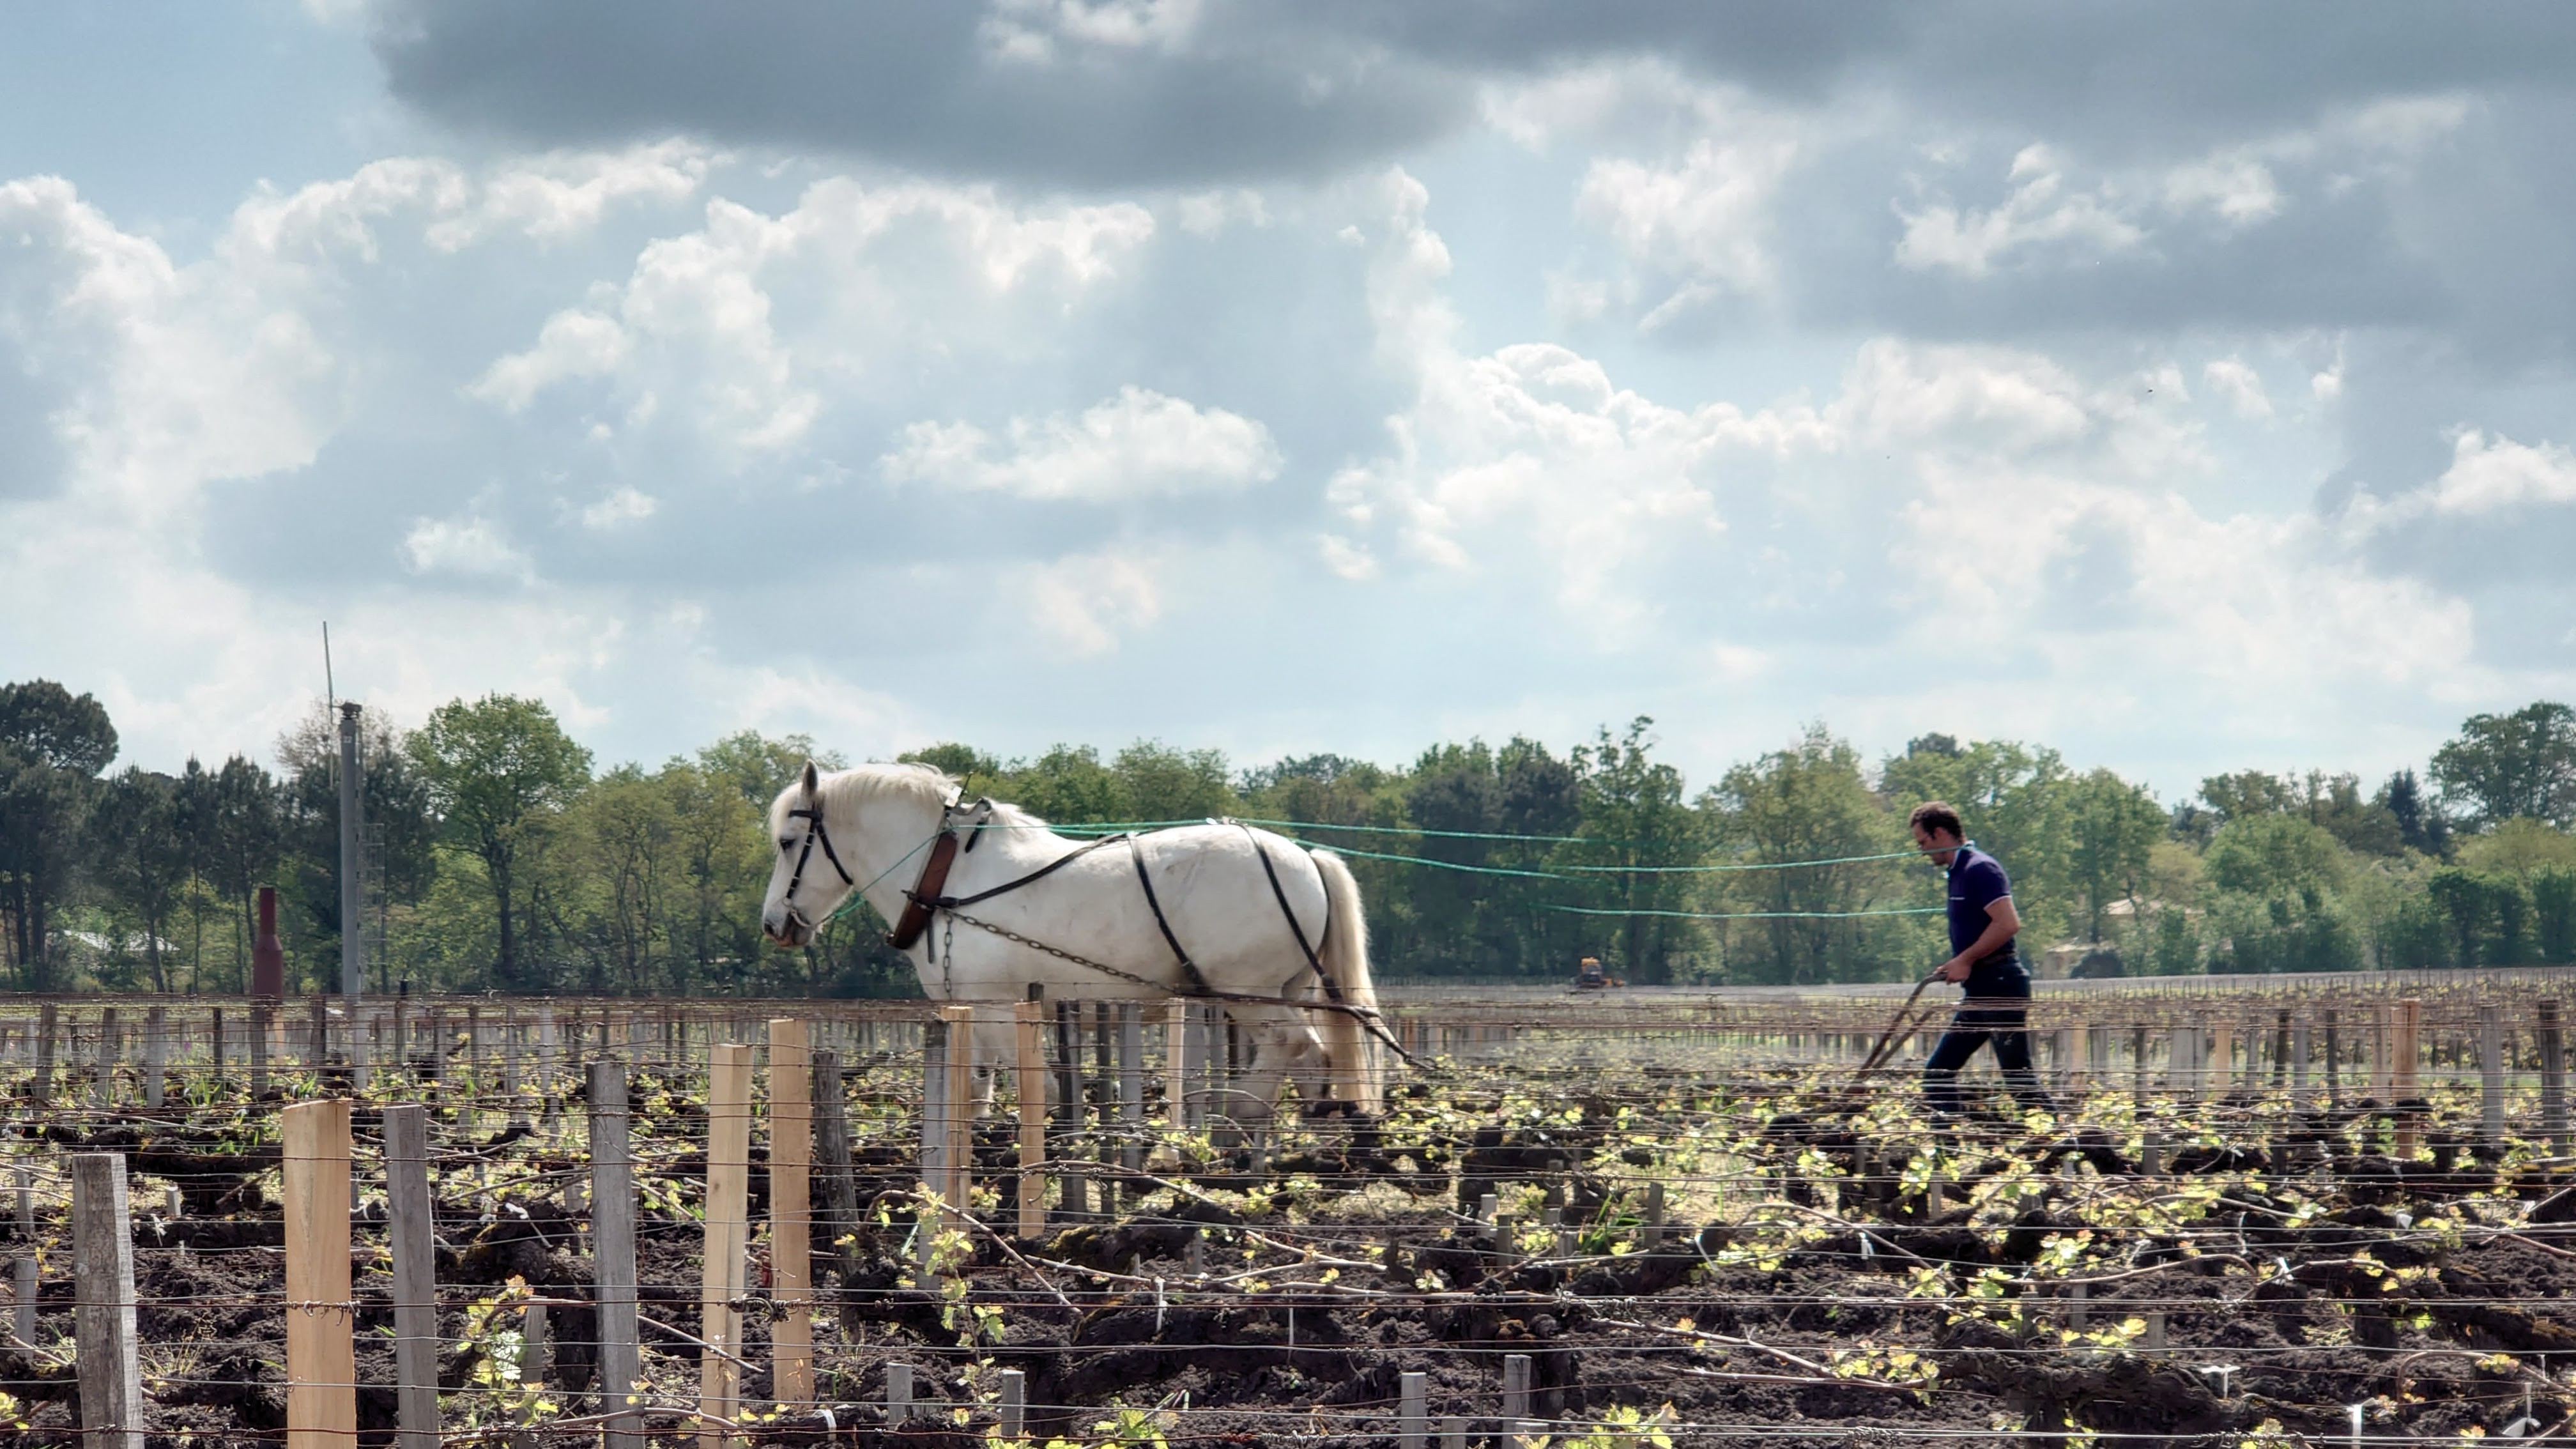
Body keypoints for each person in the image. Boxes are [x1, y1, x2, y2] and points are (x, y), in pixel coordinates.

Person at [1909, 801, 2055, 1119]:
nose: (1922, 851)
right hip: (1981, 988)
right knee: (1938, 1074)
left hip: (2001, 985)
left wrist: (1965, 960)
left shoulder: (1980, 868)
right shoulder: (1957, 873)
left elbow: (2008, 924)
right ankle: (1949, 1154)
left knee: (2019, 1080)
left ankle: (2064, 1146)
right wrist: (1958, 962)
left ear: (1942, 833)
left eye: (1924, 842)